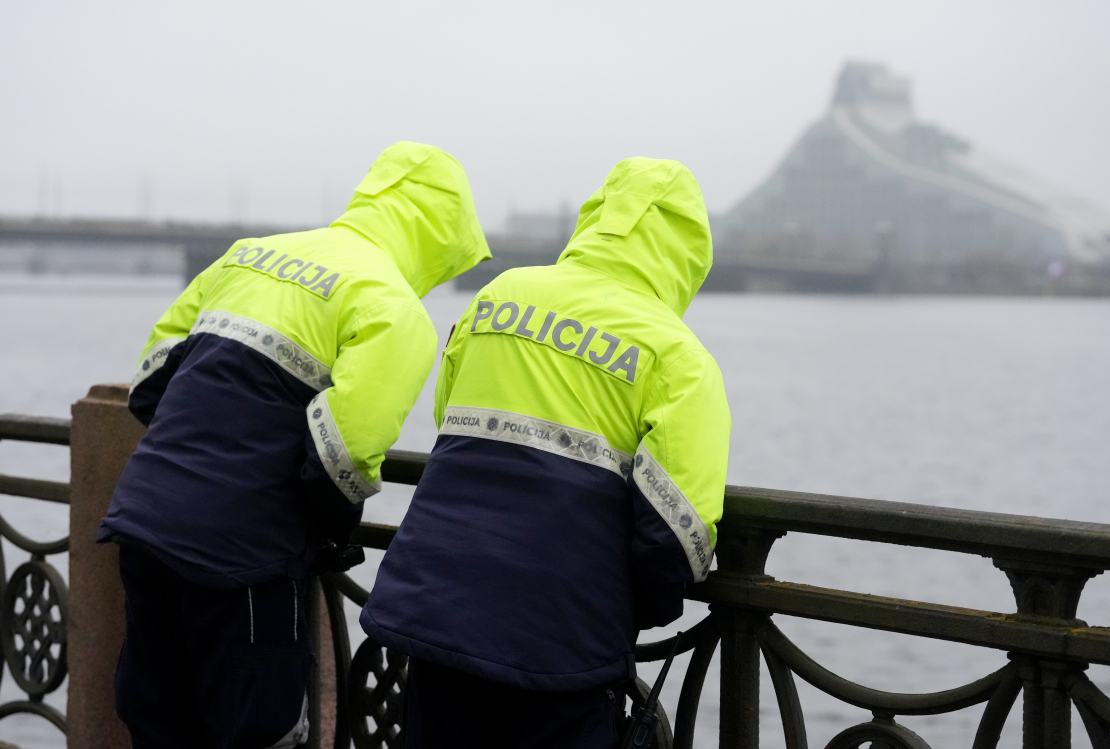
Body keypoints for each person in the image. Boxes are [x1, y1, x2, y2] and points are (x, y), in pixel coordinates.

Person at [97, 141, 490, 749]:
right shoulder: (390, 304)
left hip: (146, 519)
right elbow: (345, 455)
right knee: (259, 730)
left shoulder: (251, 255)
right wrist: (333, 534)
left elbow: (148, 385)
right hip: (241, 552)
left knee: (158, 717)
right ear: (441, 239)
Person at [361, 157, 731, 748]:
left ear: (596, 216)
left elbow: (450, 424)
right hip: (559, 643)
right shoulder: (676, 356)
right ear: (688, 252)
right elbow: (678, 533)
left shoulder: (500, 295)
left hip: (435, 608)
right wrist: (632, 611)